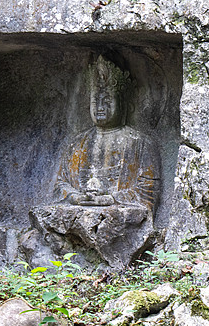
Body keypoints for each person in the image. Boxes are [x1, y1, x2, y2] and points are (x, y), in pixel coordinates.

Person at [57, 54, 160, 211]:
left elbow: (148, 192)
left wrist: (111, 199)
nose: (100, 107)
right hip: (79, 209)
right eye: (95, 101)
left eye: (106, 101)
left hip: (120, 212)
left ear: (124, 105)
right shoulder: (77, 143)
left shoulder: (140, 143)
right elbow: (60, 184)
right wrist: (75, 197)